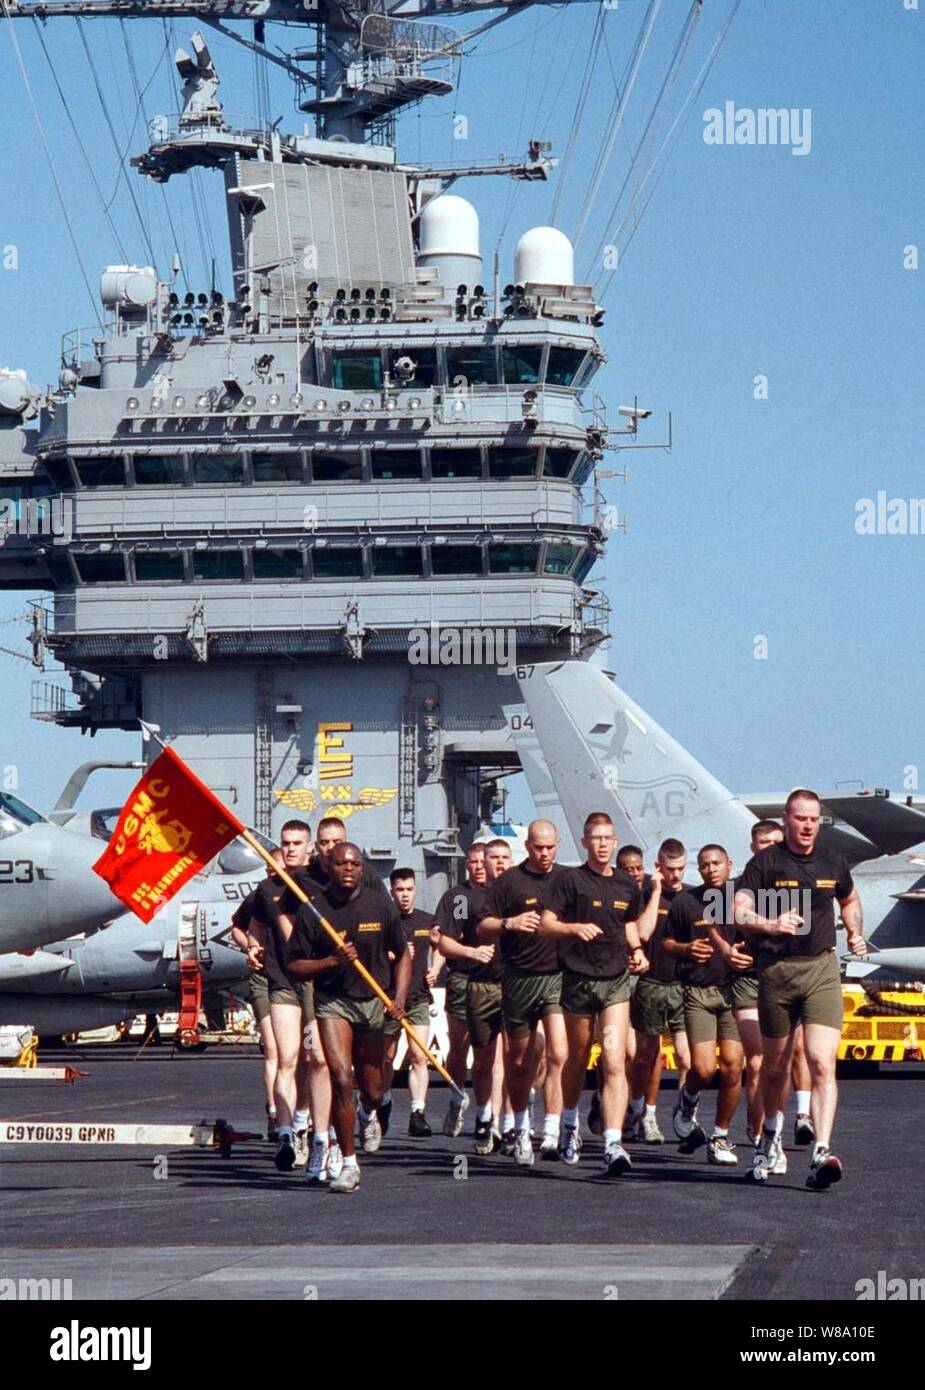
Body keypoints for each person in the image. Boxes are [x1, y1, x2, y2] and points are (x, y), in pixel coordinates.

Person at [734, 789, 866, 1188]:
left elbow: (849, 898)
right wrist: (769, 924)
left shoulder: (833, 861)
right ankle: (769, 1138)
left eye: (814, 820)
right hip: (777, 971)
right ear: (787, 820)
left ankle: (821, 1150)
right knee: (775, 1067)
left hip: (822, 968)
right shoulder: (764, 863)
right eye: (801, 818)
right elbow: (736, 909)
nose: (808, 826)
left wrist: (855, 929)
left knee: (822, 1061)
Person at [287, 842, 411, 1194]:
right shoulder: (315, 911)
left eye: (354, 864)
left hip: (373, 1001)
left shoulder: (380, 905)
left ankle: (368, 1112)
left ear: (362, 868)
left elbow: (403, 956)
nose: (348, 869)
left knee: (371, 1089)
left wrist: (399, 997)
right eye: (341, 863)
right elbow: (294, 966)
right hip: (333, 1003)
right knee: (342, 1078)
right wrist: (331, 962)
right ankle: (348, 1164)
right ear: (330, 867)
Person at [541, 812, 650, 1176]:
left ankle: (613, 1142)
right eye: (596, 838)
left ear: (615, 841)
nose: (602, 844)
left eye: (608, 838)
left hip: (615, 980)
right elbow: (546, 923)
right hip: (577, 979)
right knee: (578, 1056)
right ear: (585, 842)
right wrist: (574, 929)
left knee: (615, 1059)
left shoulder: (626, 885)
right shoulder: (570, 880)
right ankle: (569, 1124)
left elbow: (630, 923)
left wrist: (636, 950)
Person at [477, 819, 569, 1166]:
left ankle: (553, 1131)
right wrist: (509, 923)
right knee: (519, 1062)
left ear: (557, 845)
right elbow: (482, 925)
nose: (544, 854)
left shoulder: (565, 879)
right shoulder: (508, 882)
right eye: (538, 847)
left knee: (559, 1053)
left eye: (550, 847)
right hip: (518, 979)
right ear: (528, 846)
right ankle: (519, 1127)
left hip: (555, 977)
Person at [247, 821, 331, 1176]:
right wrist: (251, 946)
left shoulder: (321, 886)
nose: (292, 848)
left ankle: (308, 1127)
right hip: (282, 982)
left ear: (309, 846)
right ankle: (285, 1134)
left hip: (316, 983)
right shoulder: (267, 890)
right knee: (286, 1057)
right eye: (286, 843)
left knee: (317, 1059)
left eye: (298, 843)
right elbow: (247, 925)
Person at [664, 845, 743, 1165]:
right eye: (705, 865)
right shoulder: (685, 902)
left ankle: (720, 1136)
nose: (711, 869)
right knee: (703, 1068)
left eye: (717, 864)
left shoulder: (743, 898)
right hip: (697, 992)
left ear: (729, 865)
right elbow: (666, 943)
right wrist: (686, 948)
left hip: (734, 993)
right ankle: (687, 1100)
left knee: (734, 1067)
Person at [625, 840, 692, 1143]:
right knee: (648, 1057)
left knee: (687, 1058)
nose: (675, 876)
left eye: (680, 869)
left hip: (683, 985)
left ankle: (683, 1116)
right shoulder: (644, 896)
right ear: (659, 867)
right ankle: (641, 1111)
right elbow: (642, 932)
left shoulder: (692, 898)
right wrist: (655, 892)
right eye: (670, 869)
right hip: (651, 983)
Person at [430, 844, 487, 1136]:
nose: (478, 866)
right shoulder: (459, 897)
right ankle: (456, 1097)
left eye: (482, 861)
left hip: (494, 981)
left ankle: (488, 1114)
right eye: (473, 862)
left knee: (488, 1050)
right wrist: (436, 968)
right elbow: (443, 937)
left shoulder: (500, 895)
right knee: (459, 1045)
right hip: (463, 978)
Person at [462, 837, 512, 1154]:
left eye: (505, 857)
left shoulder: (522, 894)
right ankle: (483, 1116)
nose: (499, 863)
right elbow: (445, 941)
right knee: (483, 1059)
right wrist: (470, 951)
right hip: (480, 985)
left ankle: (509, 1125)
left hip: (515, 984)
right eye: (493, 857)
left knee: (516, 1057)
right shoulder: (468, 900)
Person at [230, 850, 282, 1140]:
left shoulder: (301, 894)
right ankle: (274, 1112)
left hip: (290, 977)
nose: (273, 872)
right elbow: (236, 926)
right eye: (270, 868)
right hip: (263, 977)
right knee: (273, 1049)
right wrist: (248, 947)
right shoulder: (259, 896)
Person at [383, 868, 435, 1137]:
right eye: (400, 890)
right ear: (392, 892)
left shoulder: (427, 921)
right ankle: (382, 1102)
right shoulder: (384, 922)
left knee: (419, 1056)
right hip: (388, 1000)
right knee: (386, 1058)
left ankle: (418, 1113)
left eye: (409, 890)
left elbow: (442, 942)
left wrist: (435, 968)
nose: (404, 895)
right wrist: (393, 955)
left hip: (417, 999)